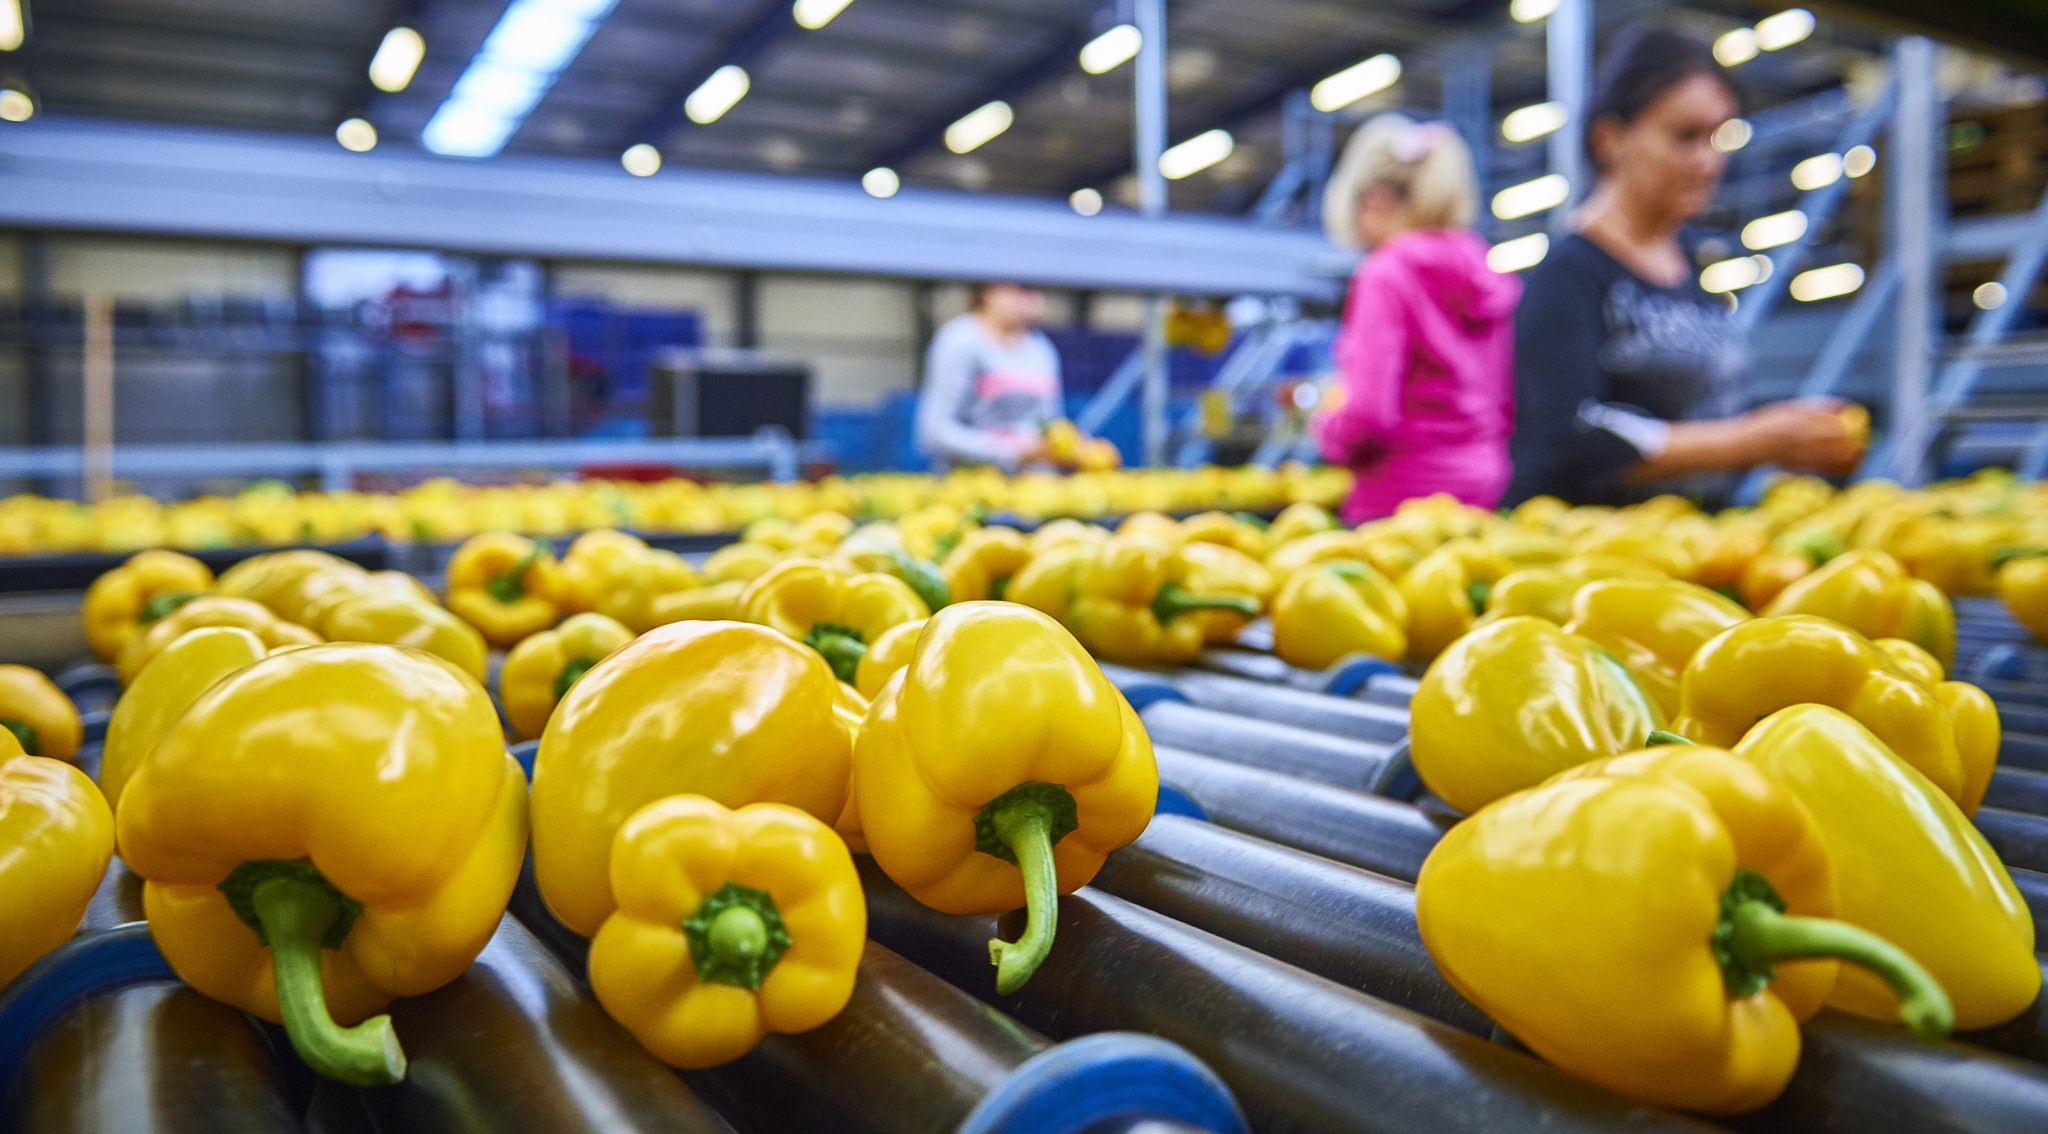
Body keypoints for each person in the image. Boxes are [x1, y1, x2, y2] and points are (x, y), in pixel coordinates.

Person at [1505, 25, 1863, 507]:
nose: (1709, 160)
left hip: (1699, 546)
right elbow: (1566, 438)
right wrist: (1753, 440)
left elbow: (1702, 411)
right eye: (1686, 136)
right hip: (1601, 556)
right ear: (1611, 139)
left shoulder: (1694, 268)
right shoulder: (1569, 276)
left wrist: (1791, 433)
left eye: (1718, 137)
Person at [1311, 113, 1521, 524]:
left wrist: (1325, 428)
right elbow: (1505, 400)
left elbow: (1369, 417)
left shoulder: (1386, 275)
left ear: (1374, 199)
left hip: (1398, 503)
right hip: (1482, 491)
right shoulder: (1483, 271)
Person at [915, 282, 1065, 471]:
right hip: (972, 485)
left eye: (1037, 289)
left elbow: (1051, 424)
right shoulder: (959, 341)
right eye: (1022, 289)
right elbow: (935, 432)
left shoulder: (1041, 349)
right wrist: (1013, 452)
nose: (1032, 298)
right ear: (989, 291)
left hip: (1034, 488)